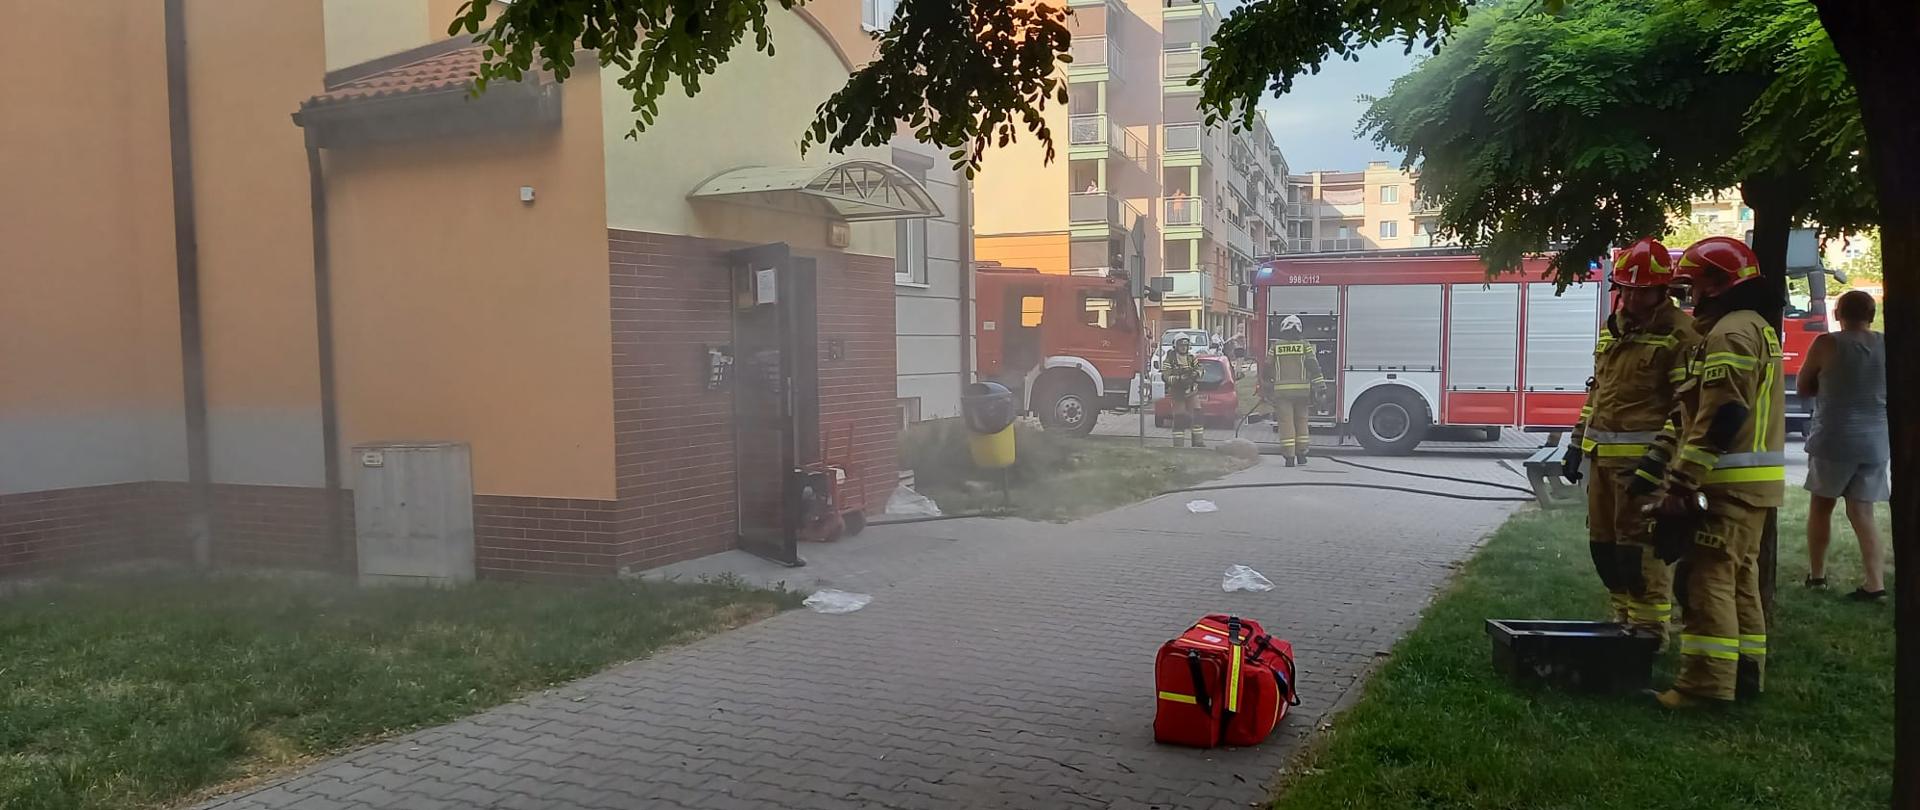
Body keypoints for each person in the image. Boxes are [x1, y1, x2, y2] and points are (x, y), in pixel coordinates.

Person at [1635, 236, 1785, 709]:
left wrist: (1681, 484)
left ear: (1719, 285)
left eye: (1694, 284)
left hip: (1727, 484)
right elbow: (1697, 411)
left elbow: (1723, 415)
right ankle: (1743, 676)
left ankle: (1704, 686)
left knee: (1706, 580)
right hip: (1750, 486)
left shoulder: (1729, 335)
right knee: (1739, 579)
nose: (1688, 294)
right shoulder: (1750, 327)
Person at [1562, 237, 1699, 637]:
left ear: (1663, 291)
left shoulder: (1680, 336)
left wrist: (1658, 461)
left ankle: (1648, 635)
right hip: (1603, 463)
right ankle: (1621, 626)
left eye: (1643, 292)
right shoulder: (1613, 332)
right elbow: (1598, 395)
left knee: (1640, 552)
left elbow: (1685, 409)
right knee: (1606, 549)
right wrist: (1575, 444)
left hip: (1644, 469)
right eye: (1628, 291)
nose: (1633, 300)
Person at [1799, 290, 1889, 600]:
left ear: (1838, 314)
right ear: (1872, 315)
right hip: (1875, 440)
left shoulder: (1827, 343)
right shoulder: (1886, 344)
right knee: (1863, 514)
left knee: (1821, 507)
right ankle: (1874, 584)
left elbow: (1803, 385)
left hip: (1834, 439)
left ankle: (1817, 575)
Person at [1264, 316, 1325, 466]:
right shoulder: (1305, 346)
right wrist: (1321, 387)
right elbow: (1314, 367)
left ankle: (1289, 457)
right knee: (1302, 421)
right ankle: (1302, 454)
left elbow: (1267, 367)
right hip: (1302, 393)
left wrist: (1269, 383)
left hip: (1282, 394)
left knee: (1286, 423)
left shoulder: (1276, 346)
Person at [1164, 336, 1205, 448]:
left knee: (1197, 414)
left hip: (1192, 390)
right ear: (1176, 346)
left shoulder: (1192, 358)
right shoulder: (1170, 359)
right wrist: (1179, 379)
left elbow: (1200, 369)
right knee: (1179, 417)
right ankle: (1178, 445)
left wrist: (1195, 374)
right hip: (1178, 392)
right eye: (1181, 345)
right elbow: (1166, 376)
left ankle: (1198, 442)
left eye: (1185, 345)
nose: (1183, 348)